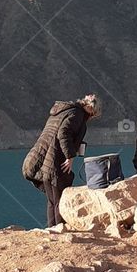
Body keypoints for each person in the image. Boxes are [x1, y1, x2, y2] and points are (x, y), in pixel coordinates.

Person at [22, 94, 102, 228]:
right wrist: (70, 157)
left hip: (41, 157)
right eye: (93, 113)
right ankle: (60, 229)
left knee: (52, 200)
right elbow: (63, 134)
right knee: (59, 199)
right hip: (54, 160)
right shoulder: (77, 114)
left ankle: (52, 229)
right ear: (89, 107)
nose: (91, 117)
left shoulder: (62, 111)